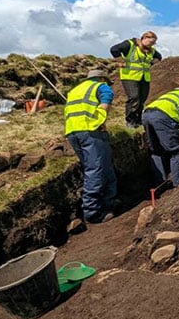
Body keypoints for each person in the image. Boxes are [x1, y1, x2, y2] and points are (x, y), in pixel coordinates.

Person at [64, 70, 117, 223]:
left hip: (73, 132)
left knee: (100, 166)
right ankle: (93, 213)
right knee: (96, 169)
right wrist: (101, 120)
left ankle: (108, 202)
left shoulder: (75, 90)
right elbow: (106, 101)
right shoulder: (101, 87)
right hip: (91, 131)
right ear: (100, 78)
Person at [110, 31, 162, 128]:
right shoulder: (130, 44)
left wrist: (153, 62)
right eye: (150, 42)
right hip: (129, 76)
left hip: (144, 77)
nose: (151, 45)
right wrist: (120, 60)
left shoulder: (151, 50)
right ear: (144, 38)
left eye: (153, 43)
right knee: (134, 97)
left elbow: (159, 57)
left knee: (142, 99)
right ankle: (130, 121)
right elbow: (114, 49)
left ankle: (138, 120)